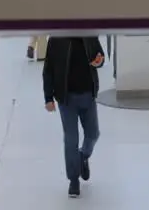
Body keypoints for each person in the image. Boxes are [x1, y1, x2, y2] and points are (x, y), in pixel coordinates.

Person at [43, 36, 106, 198]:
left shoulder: (89, 35)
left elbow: (100, 55)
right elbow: (48, 69)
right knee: (71, 139)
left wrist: (99, 60)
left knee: (93, 134)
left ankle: (82, 156)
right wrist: (48, 98)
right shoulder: (56, 39)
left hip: (88, 95)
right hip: (66, 98)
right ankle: (73, 180)